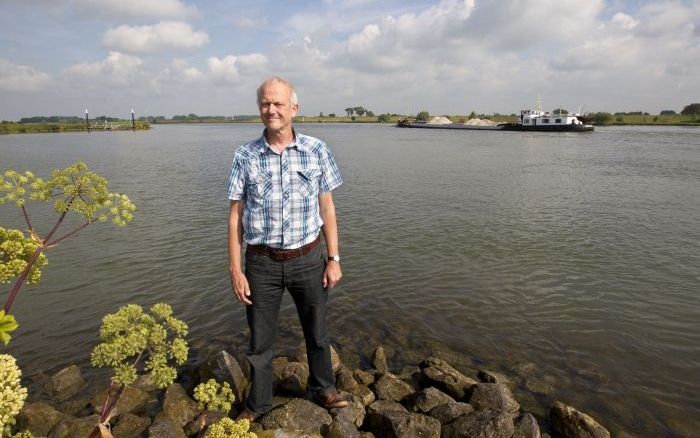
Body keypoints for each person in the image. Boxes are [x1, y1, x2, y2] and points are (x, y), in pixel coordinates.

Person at [227, 77, 347, 421]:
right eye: (266, 103)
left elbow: (328, 209)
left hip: (308, 258)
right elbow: (235, 217)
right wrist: (236, 270)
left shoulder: (317, 150)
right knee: (260, 343)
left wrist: (333, 259)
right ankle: (258, 403)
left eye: (279, 104)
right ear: (259, 109)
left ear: (294, 108)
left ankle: (323, 388)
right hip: (261, 264)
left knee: (318, 332)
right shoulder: (245, 155)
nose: (272, 110)